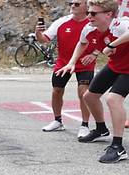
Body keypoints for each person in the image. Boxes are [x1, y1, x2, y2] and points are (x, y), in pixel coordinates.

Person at [57, 0, 129, 163]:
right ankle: (101, 129)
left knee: (113, 99)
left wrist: (112, 44)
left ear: (108, 14)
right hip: (115, 65)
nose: (88, 16)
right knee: (89, 96)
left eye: (93, 13)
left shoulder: (120, 24)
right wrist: (71, 62)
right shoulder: (89, 28)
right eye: (88, 12)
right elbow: (82, 43)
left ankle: (118, 147)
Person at [35, 0, 95, 137]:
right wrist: (38, 33)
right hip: (63, 63)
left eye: (77, 4)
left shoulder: (92, 22)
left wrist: (93, 54)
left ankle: (85, 125)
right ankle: (57, 121)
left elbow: (102, 40)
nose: (72, 6)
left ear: (87, 6)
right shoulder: (61, 22)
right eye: (70, 4)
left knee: (83, 93)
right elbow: (44, 39)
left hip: (84, 63)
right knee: (57, 90)